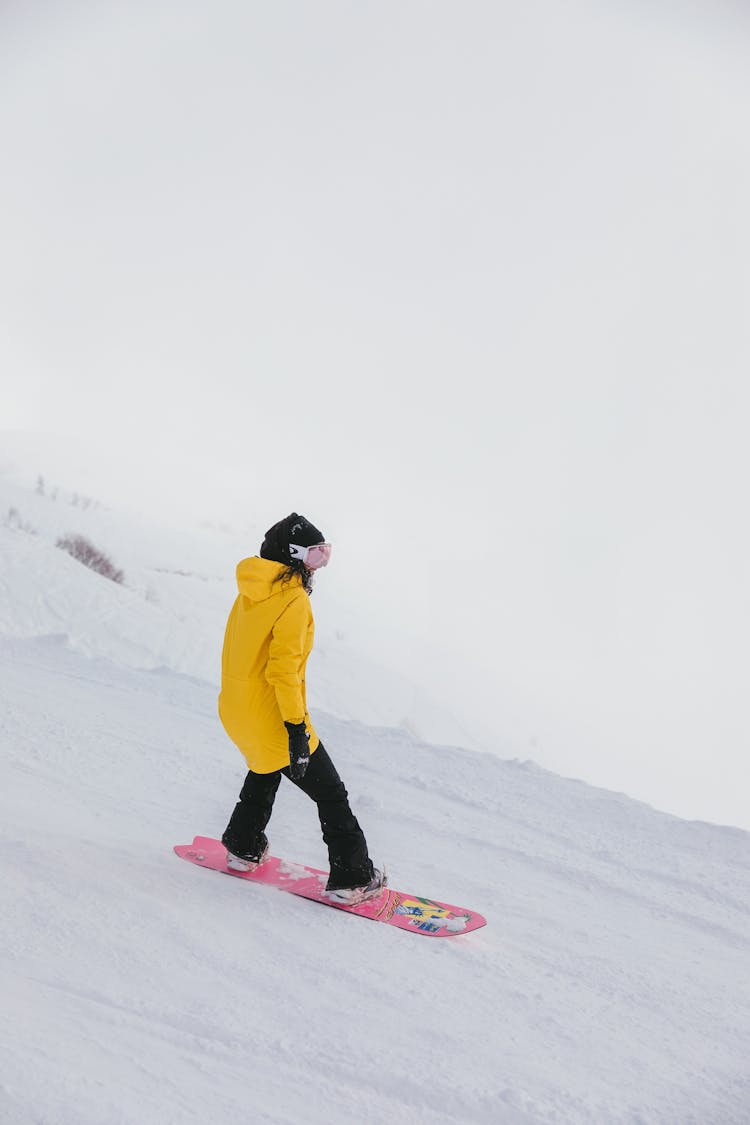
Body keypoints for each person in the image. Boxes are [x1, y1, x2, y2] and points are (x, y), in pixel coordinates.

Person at [218, 512, 386, 905]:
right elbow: (283, 672)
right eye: (314, 557)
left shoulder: (249, 592)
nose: (319, 567)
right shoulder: (292, 600)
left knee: (264, 769)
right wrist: (296, 728)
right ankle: (353, 877)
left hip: (236, 709)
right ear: (293, 556)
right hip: (274, 713)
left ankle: (243, 847)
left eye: (323, 556)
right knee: (331, 793)